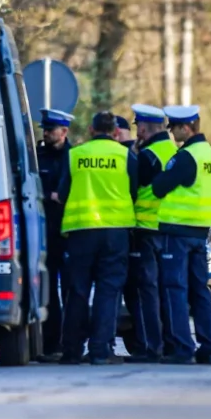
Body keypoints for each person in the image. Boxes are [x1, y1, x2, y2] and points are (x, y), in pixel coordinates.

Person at [56, 111, 137, 365]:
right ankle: (101, 350)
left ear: (91, 130)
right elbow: (135, 190)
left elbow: (61, 193)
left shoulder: (75, 155)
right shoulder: (126, 156)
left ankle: (70, 351)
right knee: (108, 291)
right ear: (115, 132)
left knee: (77, 291)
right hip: (115, 233)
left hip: (81, 232)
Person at [151, 105, 211, 365]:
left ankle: (182, 348)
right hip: (199, 233)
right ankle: (209, 348)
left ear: (186, 127)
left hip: (177, 232)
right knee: (200, 291)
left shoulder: (186, 157)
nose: (172, 133)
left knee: (174, 289)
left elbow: (159, 187)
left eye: (174, 128)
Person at [123, 104, 176, 363]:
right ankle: (172, 344)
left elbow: (132, 190)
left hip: (146, 231)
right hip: (170, 230)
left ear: (143, 128)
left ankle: (152, 347)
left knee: (148, 291)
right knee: (170, 291)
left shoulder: (147, 156)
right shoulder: (174, 151)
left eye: (138, 127)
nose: (137, 133)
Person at [36, 108, 74, 362]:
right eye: (45, 130)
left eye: (51, 130)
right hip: (45, 233)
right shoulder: (38, 156)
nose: (46, 134)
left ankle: (70, 342)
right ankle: (51, 344)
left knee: (72, 290)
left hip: (69, 232)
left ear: (64, 131)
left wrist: (52, 195)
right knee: (48, 291)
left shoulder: (74, 157)